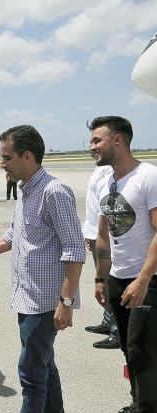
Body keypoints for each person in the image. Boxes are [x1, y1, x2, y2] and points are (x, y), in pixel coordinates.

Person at [0, 125, 85, 413]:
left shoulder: (53, 191)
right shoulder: (26, 190)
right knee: (44, 366)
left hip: (45, 302)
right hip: (28, 297)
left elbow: (75, 250)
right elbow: (12, 236)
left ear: (27, 156)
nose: (1, 164)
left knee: (31, 376)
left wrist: (65, 302)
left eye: (6, 157)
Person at [90, 116, 157, 413]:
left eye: (96, 140)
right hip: (118, 277)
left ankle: (147, 407)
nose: (92, 146)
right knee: (127, 348)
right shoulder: (107, 182)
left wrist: (143, 279)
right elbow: (103, 236)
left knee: (141, 349)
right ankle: (139, 402)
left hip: (147, 279)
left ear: (117, 140)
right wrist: (100, 279)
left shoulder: (148, 177)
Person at [81, 164, 120, 349]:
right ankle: (107, 321)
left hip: (104, 235)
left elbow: (104, 207)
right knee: (103, 282)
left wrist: (97, 235)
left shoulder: (109, 171)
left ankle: (117, 330)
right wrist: (89, 233)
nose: (92, 147)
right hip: (96, 233)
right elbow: (93, 206)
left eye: (97, 141)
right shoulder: (99, 169)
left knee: (109, 283)